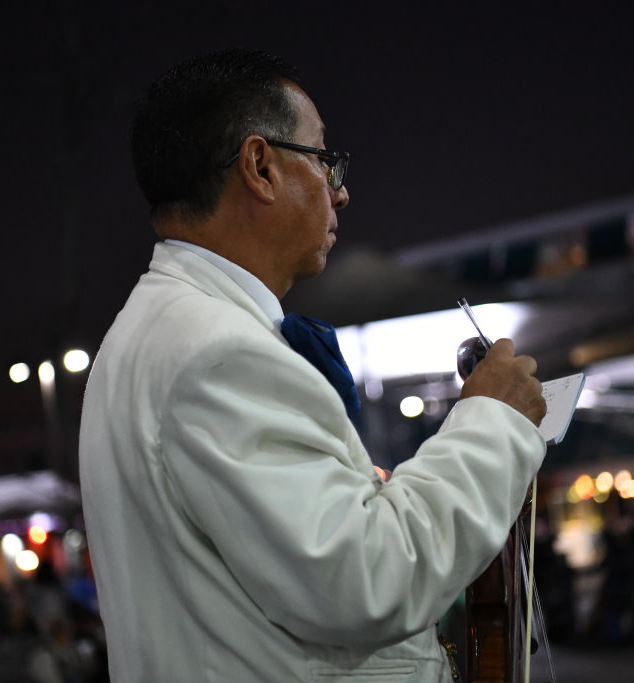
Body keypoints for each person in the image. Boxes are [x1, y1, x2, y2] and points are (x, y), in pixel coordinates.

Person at [79, 48, 548, 682]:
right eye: (325, 160)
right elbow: (368, 581)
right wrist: (491, 421)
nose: (341, 192)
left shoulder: (161, 332)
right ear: (260, 167)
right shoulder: (220, 352)